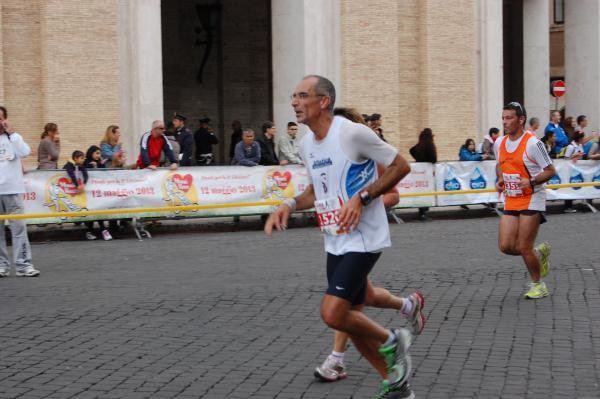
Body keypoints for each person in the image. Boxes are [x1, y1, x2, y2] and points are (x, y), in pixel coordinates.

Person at [265, 75, 417, 398]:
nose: (294, 102)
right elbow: (315, 192)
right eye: (293, 96)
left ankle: (394, 340)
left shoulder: (351, 133)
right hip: (335, 240)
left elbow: (401, 165)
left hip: (364, 239)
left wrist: (363, 198)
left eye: (302, 95)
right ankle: (396, 385)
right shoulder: (306, 145)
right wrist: (289, 204)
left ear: (323, 101)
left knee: (333, 313)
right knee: (349, 318)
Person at [314, 106, 425, 384]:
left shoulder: (367, 154)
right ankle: (408, 305)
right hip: (340, 239)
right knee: (368, 294)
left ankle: (337, 360)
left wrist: (363, 205)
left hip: (362, 239)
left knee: (345, 307)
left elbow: (394, 195)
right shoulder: (329, 157)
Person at [495, 102, 554, 299]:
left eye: (509, 118)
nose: (505, 122)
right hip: (511, 198)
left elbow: (550, 171)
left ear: (521, 120)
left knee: (523, 247)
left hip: (532, 198)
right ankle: (539, 253)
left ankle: (538, 285)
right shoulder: (499, 143)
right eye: (503, 118)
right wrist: (501, 178)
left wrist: (530, 181)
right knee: (506, 246)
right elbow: (500, 165)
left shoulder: (533, 144)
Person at [0, 111, 40, 277]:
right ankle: (2, 266)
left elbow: (25, 152)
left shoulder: (14, 138)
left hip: (13, 190)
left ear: (5, 120)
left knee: (19, 229)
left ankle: (23, 265)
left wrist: (12, 133)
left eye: (0, 118)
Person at [409, 128, 437, 220]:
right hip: (426, 171)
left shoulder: (420, 143)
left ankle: (422, 211)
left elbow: (411, 150)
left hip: (418, 170)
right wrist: (429, 161)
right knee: (426, 191)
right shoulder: (429, 144)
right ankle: (423, 212)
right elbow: (433, 158)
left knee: (421, 190)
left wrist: (418, 158)